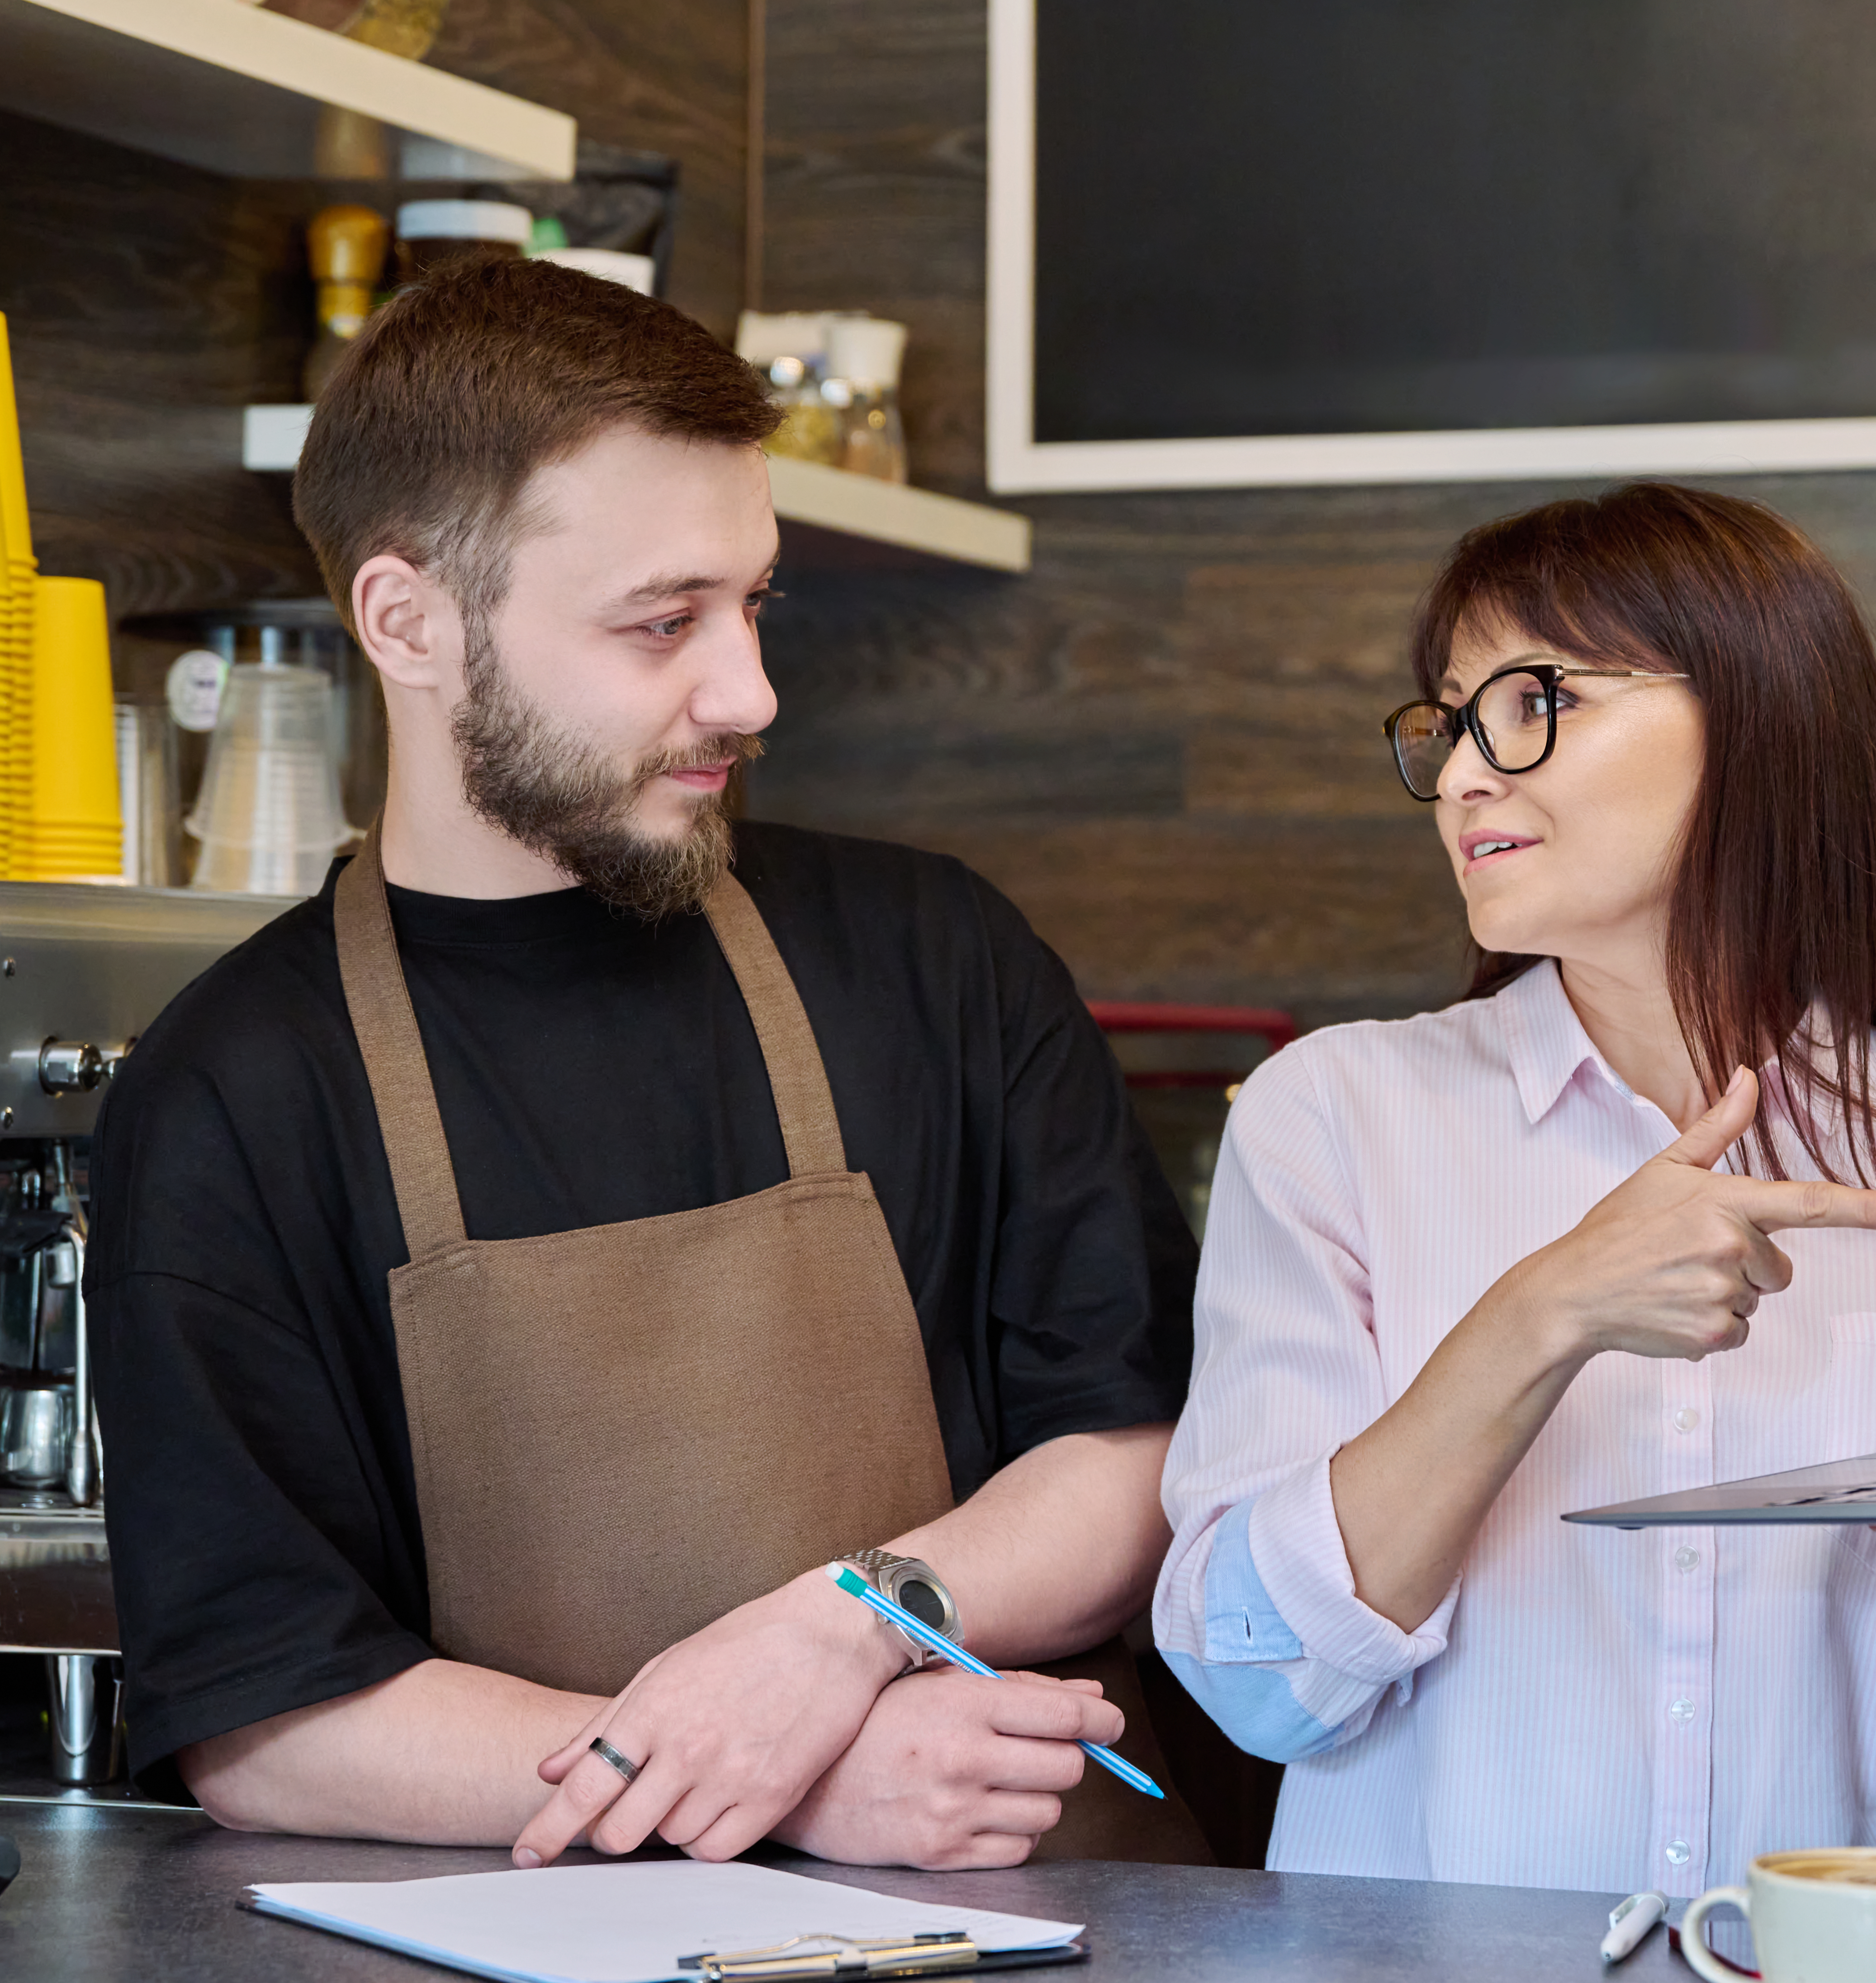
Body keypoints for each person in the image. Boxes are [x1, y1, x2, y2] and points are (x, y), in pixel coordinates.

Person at [88, 257, 1206, 1872]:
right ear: (407, 621)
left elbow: (1136, 1456)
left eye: (754, 603)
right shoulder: (233, 1091)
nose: (748, 689)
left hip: (1044, 1906)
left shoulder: (934, 954)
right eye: (662, 621)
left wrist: (845, 1633)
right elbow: (274, 1717)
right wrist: (778, 1784)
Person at [1151, 484, 1876, 1917]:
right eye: (1451, 719)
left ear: (1761, 716)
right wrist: (1545, 1310)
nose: (1461, 778)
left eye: (1536, 698)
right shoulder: (1332, 1118)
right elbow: (1256, 1680)